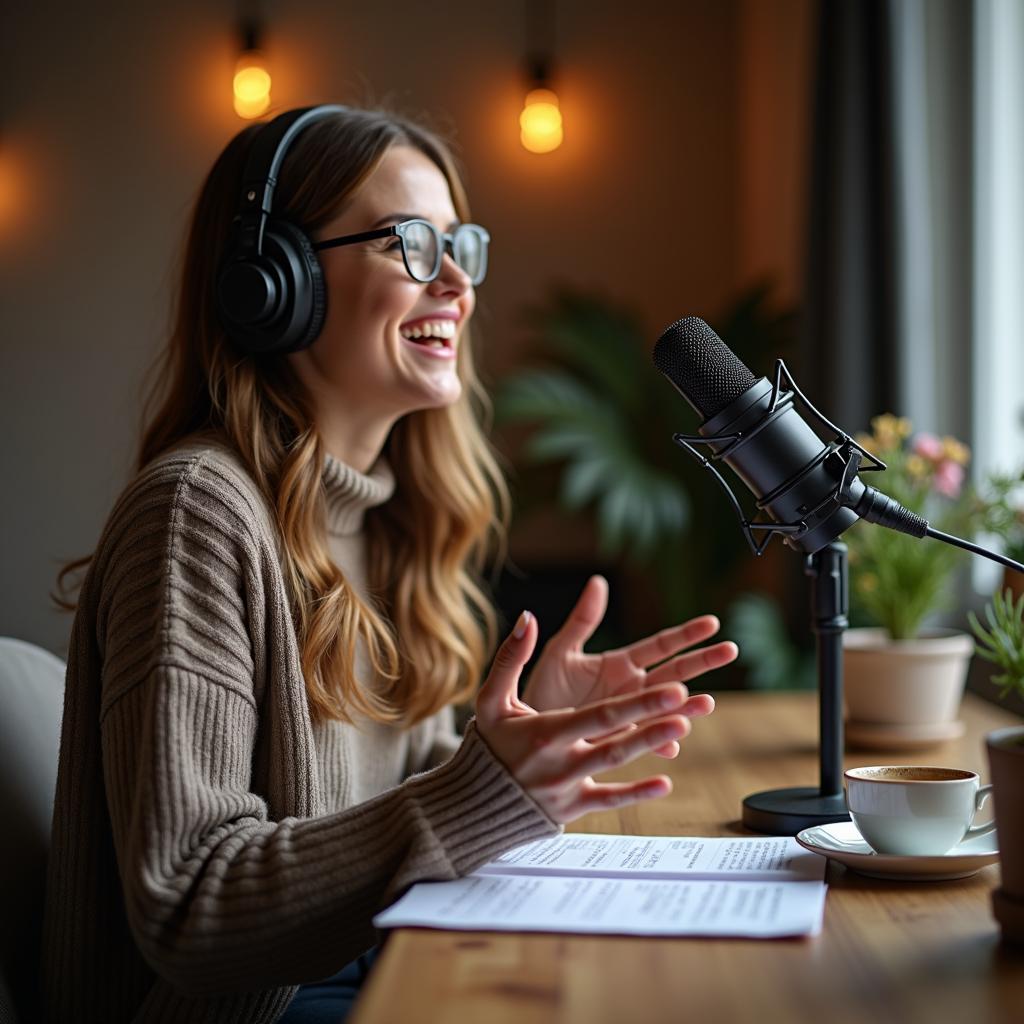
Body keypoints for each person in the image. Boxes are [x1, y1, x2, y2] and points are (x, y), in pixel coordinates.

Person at [41, 104, 738, 1024]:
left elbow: (389, 805)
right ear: (275, 280)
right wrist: (479, 788)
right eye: (411, 242)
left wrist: (530, 736)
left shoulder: (387, 519)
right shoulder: (198, 513)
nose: (455, 282)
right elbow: (190, 908)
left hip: (372, 968)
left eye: (461, 246)